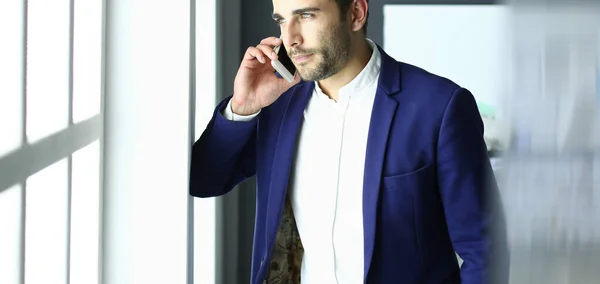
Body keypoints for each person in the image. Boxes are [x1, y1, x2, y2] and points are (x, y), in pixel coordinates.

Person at [190, 0, 509, 283]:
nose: (291, 39)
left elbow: (485, 252)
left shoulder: (439, 107)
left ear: (356, 13)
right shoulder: (278, 106)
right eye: (282, 20)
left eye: (306, 14)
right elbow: (204, 180)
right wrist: (242, 108)